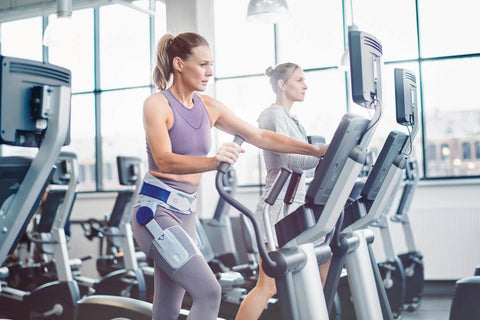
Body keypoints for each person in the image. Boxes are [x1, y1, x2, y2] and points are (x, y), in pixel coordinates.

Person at [130, 33, 327, 320]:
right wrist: (214, 161)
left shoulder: (208, 106)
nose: (210, 72)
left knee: (169, 306)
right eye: (203, 64)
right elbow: (164, 160)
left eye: (211, 64)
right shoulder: (157, 104)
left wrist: (318, 150)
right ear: (179, 64)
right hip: (155, 213)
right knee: (209, 292)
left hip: (185, 214)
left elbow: (260, 136)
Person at [235, 63, 330, 320]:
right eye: (299, 80)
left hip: (295, 205)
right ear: (281, 84)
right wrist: (324, 154)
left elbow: (305, 168)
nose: (305, 85)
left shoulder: (292, 120)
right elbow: (292, 162)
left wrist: (324, 156)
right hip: (277, 207)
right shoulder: (273, 115)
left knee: (320, 264)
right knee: (267, 285)